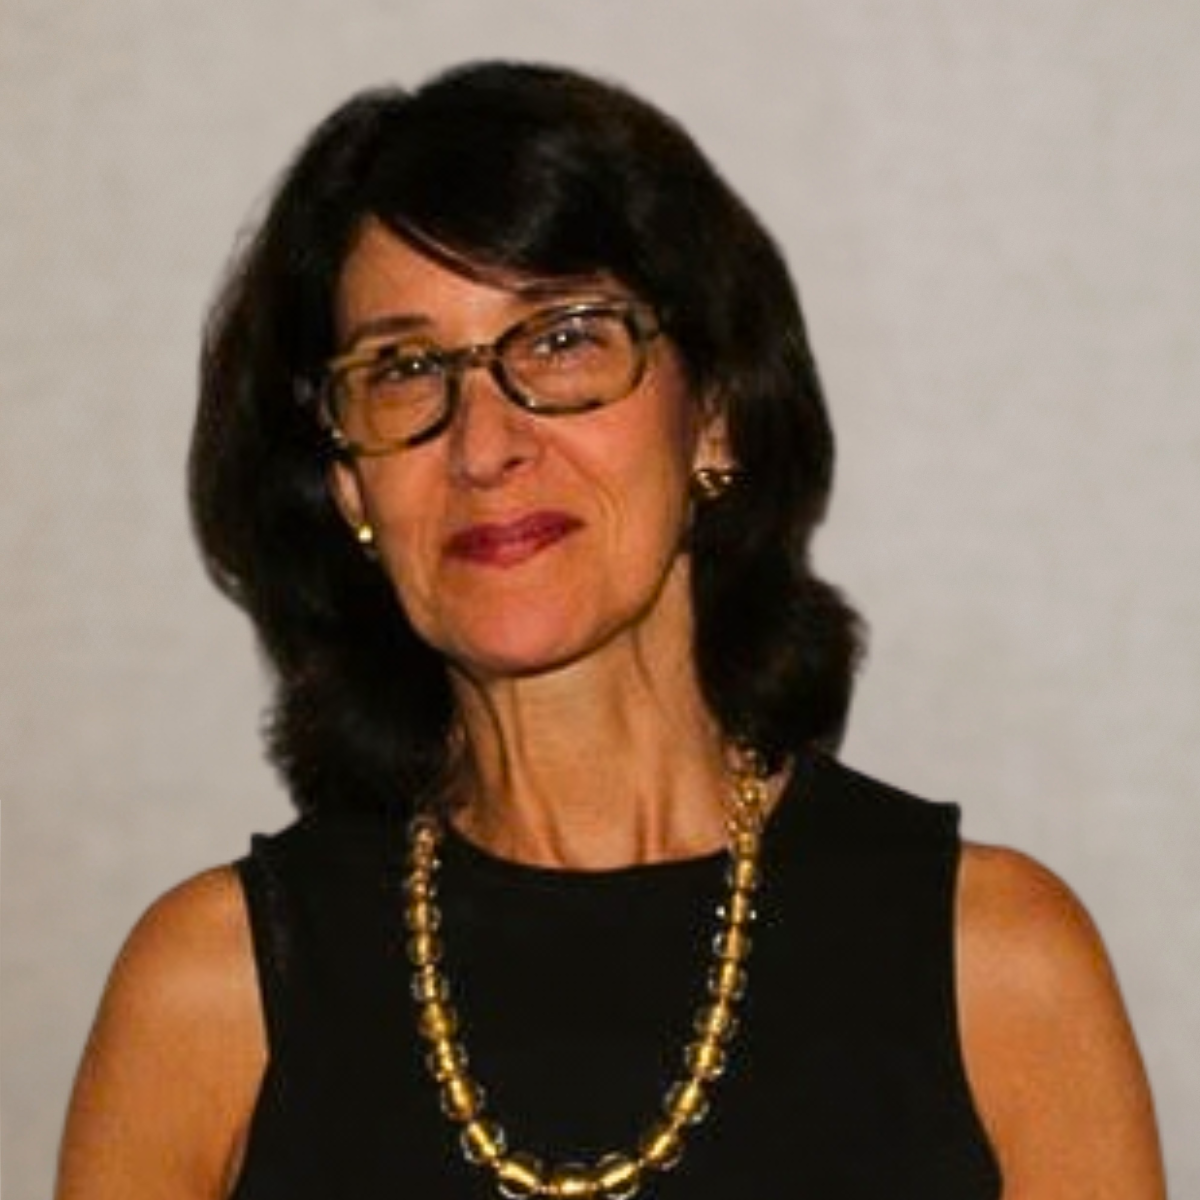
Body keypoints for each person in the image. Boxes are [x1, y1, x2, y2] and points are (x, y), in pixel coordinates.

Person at [55, 61, 1165, 1200]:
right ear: (347, 486)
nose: (483, 444)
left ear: (717, 412)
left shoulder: (997, 970)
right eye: (404, 370)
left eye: (563, 339)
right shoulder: (212, 997)